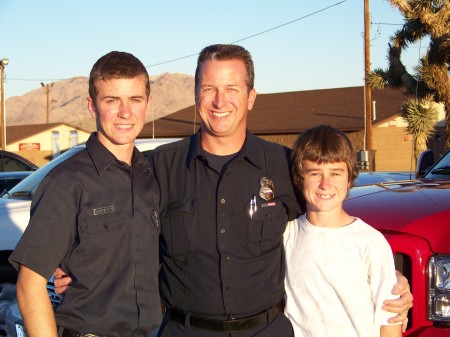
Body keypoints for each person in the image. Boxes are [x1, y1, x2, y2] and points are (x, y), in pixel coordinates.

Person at [54, 44, 413, 337]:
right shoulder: (158, 167)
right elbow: (117, 222)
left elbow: (329, 226)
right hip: (184, 331)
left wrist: (387, 280)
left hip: (267, 330)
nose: (219, 101)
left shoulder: (284, 166)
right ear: (196, 94)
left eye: (232, 89)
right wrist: (78, 266)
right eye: (209, 89)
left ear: (251, 96)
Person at [9, 51, 162, 337]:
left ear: (148, 104)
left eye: (135, 100)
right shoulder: (66, 182)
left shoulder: (152, 179)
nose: (125, 112)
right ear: (92, 107)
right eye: (112, 100)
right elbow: (29, 285)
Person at [284, 125, 401, 337]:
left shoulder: (371, 242)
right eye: (315, 173)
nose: (325, 184)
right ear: (300, 179)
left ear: (349, 179)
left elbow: (390, 321)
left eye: (335, 173)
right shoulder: (286, 235)